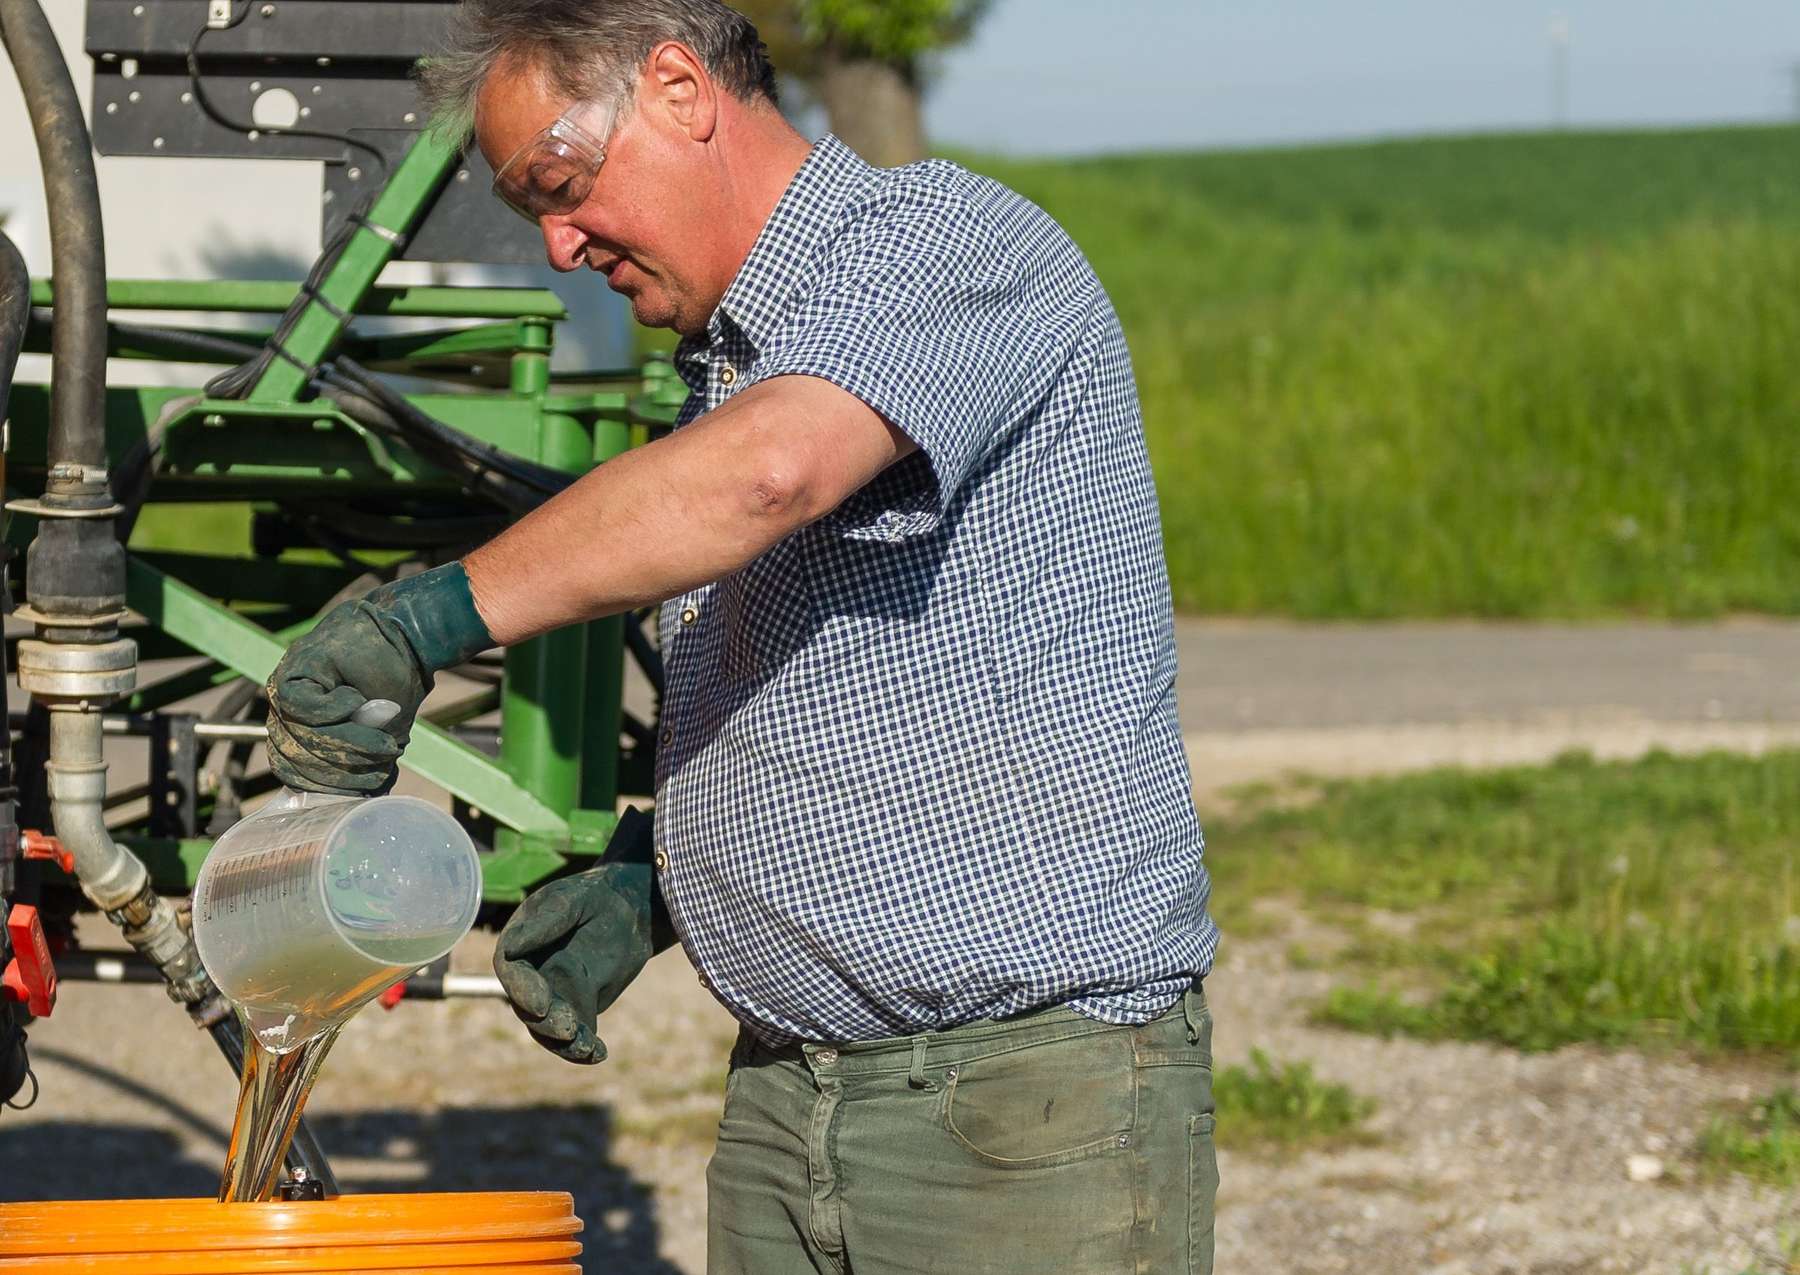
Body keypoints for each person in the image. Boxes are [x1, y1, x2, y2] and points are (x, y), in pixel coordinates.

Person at [263, 1, 1221, 1270]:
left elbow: (767, 477)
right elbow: (856, 685)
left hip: (1017, 1111)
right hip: (787, 1103)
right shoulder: (725, 367)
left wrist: (430, 618)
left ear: (676, 86)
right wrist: (664, 884)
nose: (556, 246)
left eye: (558, 184)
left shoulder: (944, 241)